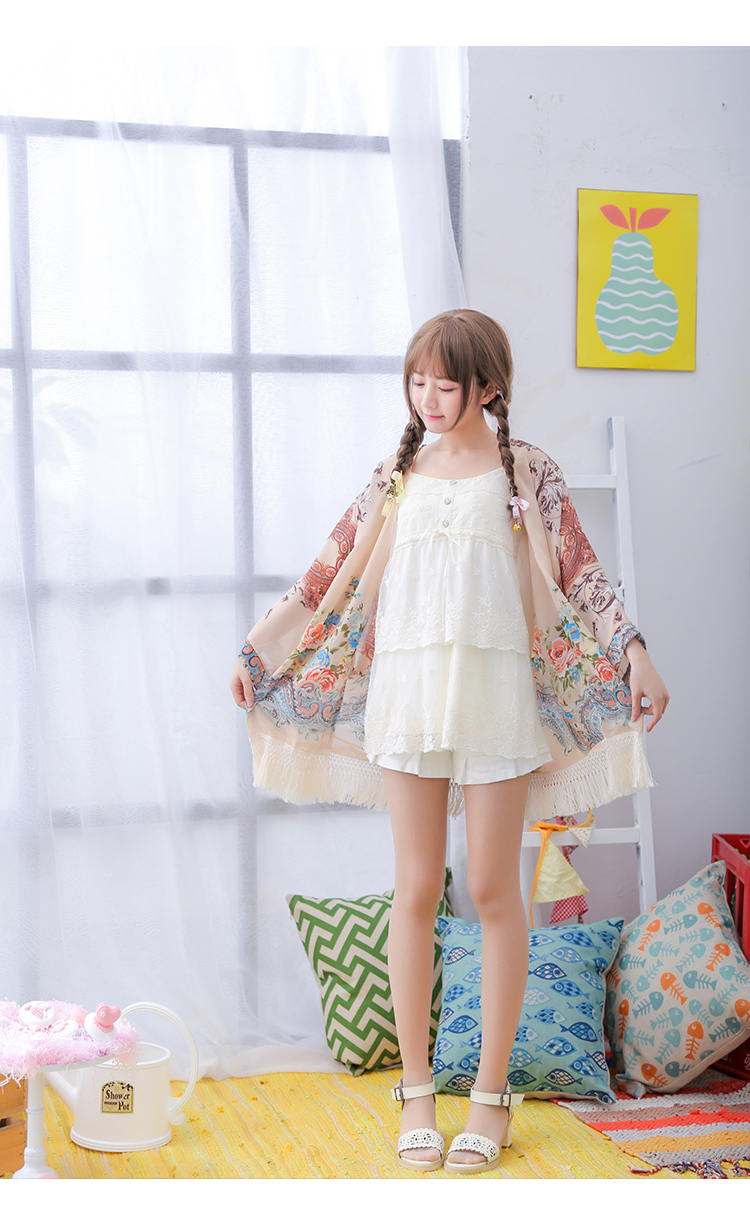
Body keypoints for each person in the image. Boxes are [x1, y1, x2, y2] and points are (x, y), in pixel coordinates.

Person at [229, 309, 669, 1174]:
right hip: (408, 697)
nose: (428, 397)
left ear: (489, 387)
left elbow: (582, 573)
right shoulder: (397, 474)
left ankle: (491, 1097)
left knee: (496, 889)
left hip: (497, 698)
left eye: (446, 383)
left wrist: (636, 654)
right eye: (418, 381)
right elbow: (327, 572)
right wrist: (257, 646)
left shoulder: (526, 470)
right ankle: (417, 1093)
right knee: (417, 887)